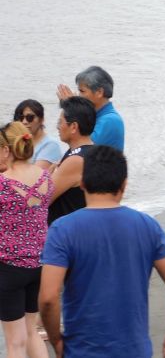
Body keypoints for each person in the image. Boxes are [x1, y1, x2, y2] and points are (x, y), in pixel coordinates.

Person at [40, 146, 165, 358]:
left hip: (82, 351)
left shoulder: (62, 229)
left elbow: (48, 298)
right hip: (135, 350)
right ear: (124, 184)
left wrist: (56, 341)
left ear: (82, 183)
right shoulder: (148, 226)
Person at [0, 122, 52, 358]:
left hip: (8, 267)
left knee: (14, 343)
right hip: (38, 265)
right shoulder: (45, 178)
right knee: (31, 332)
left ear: (6, 150)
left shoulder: (3, 184)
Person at [49, 96, 95, 225]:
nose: (58, 127)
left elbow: (42, 199)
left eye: (60, 122)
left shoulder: (75, 160)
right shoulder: (92, 151)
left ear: (74, 127)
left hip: (66, 235)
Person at [56, 66, 124, 151]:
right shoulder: (95, 116)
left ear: (99, 92)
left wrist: (73, 108)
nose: (79, 96)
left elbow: (82, 148)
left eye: (82, 91)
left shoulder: (110, 120)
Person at [13, 100, 61, 170]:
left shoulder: (51, 145)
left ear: (41, 120)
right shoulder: (19, 142)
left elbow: (35, 176)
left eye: (30, 118)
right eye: (21, 118)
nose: (24, 122)